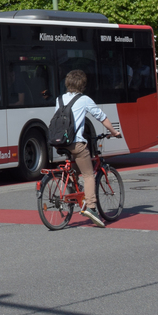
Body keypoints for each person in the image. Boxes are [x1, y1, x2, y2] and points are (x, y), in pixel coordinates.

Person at [57, 70, 121, 227]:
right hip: (77, 143)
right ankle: (91, 207)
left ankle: (73, 192)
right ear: (83, 85)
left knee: (73, 169)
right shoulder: (84, 99)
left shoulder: (60, 99)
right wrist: (114, 132)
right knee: (88, 174)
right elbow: (101, 117)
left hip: (60, 142)